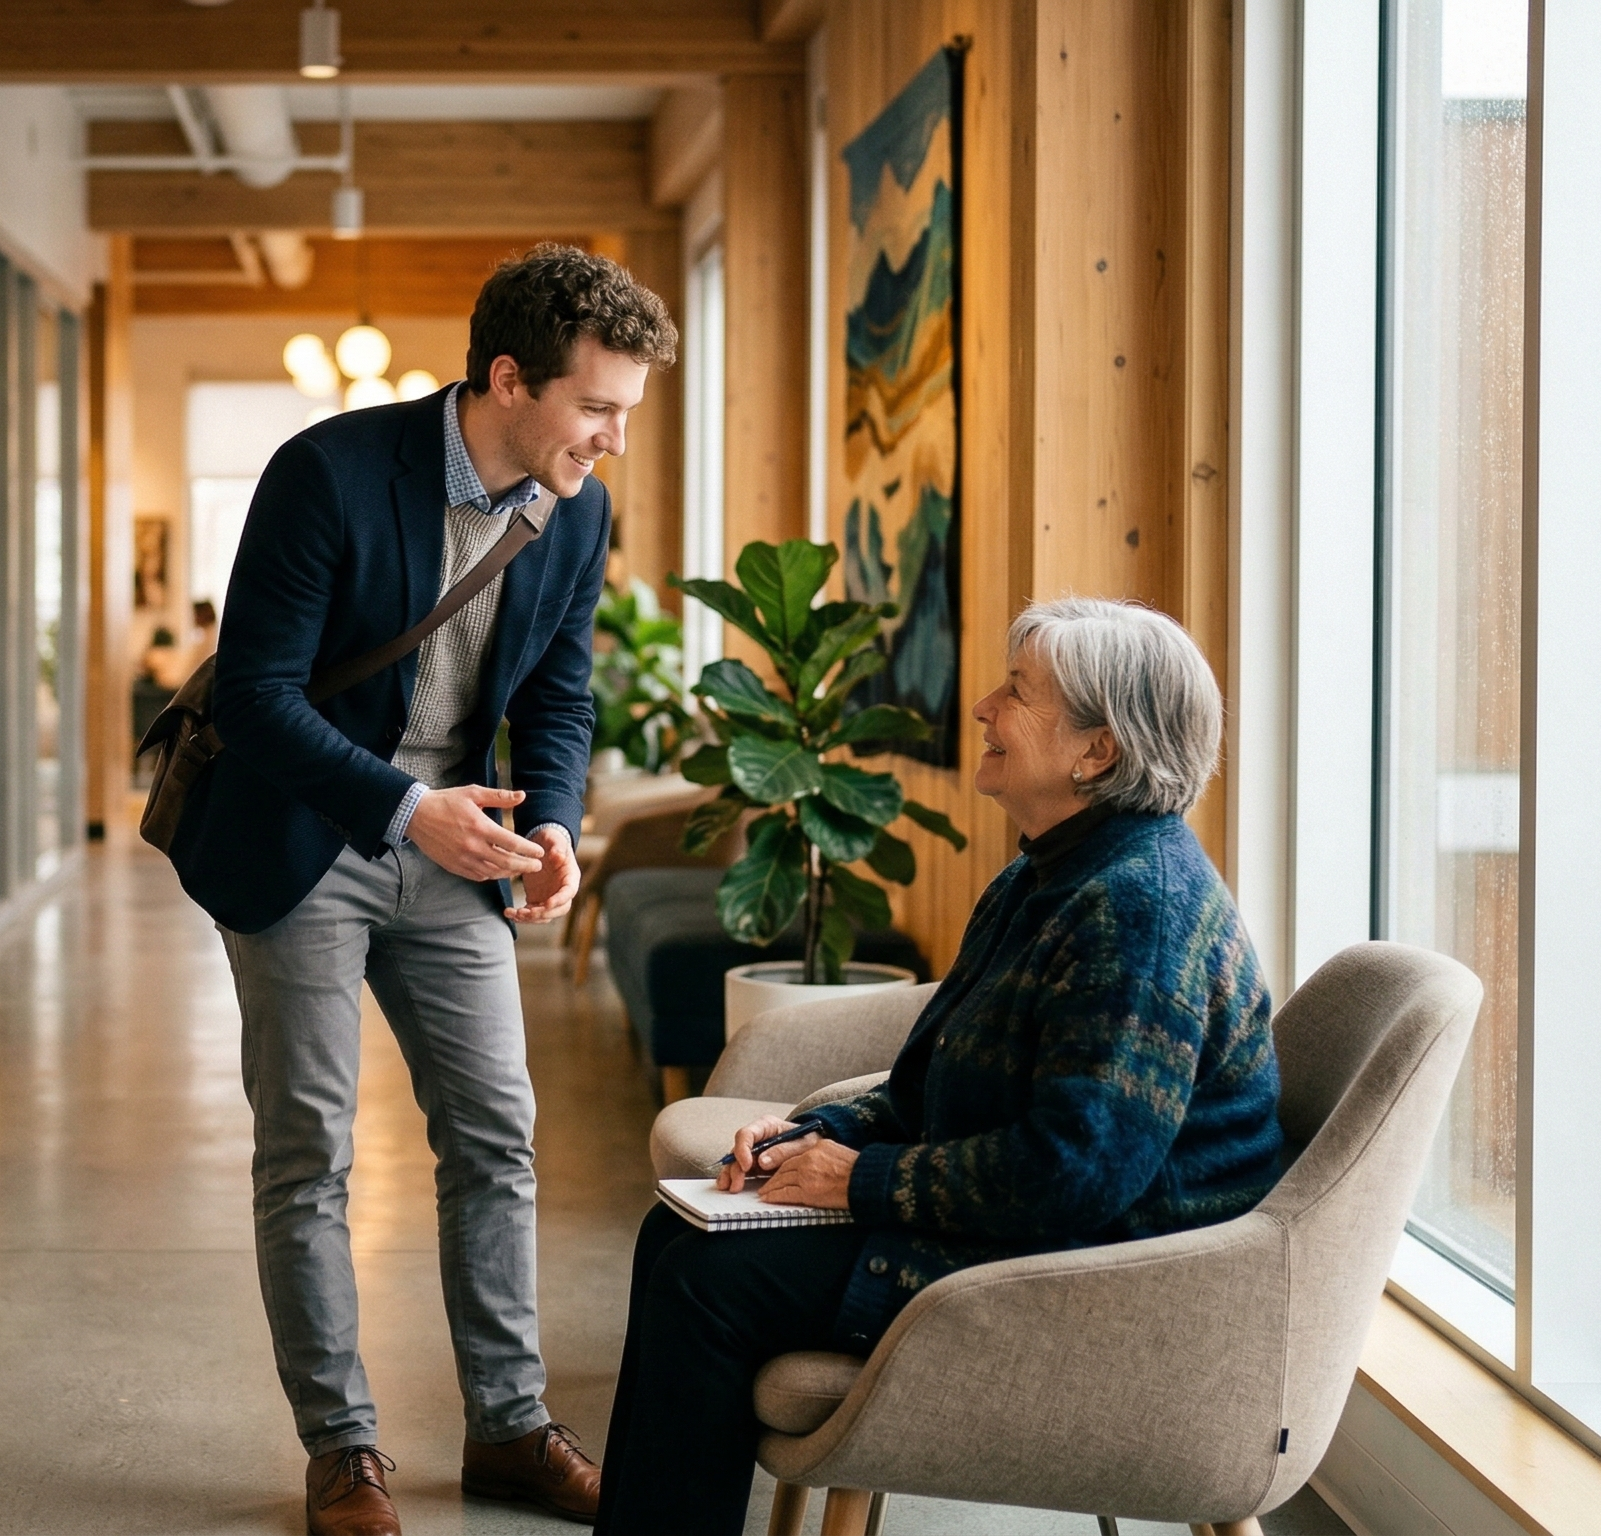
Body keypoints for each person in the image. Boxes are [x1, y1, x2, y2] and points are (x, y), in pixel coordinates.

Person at [166, 245, 677, 1536]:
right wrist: (404, 809)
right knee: (310, 1152)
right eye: (596, 407)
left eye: (625, 412)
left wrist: (554, 825)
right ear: (510, 379)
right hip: (302, 843)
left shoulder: (577, 511)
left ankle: (508, 1426)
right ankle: (343, 1451)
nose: (614, 439)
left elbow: (562, 694)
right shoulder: (328, 474)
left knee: (496, 1134)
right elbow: (256, 694)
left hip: (460, 846)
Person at [593, 598, 1285, 1535]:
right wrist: (812, 1136)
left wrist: (858, 1178)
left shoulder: (1139, 911)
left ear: (1099, 753)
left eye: (1019, 692)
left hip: (1098, 1276)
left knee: (707, 1282)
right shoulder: (1042, 877)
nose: (984, 708)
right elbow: (923, 1088)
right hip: (1025, 1231)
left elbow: (1077, 1174)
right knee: (669, 1237)